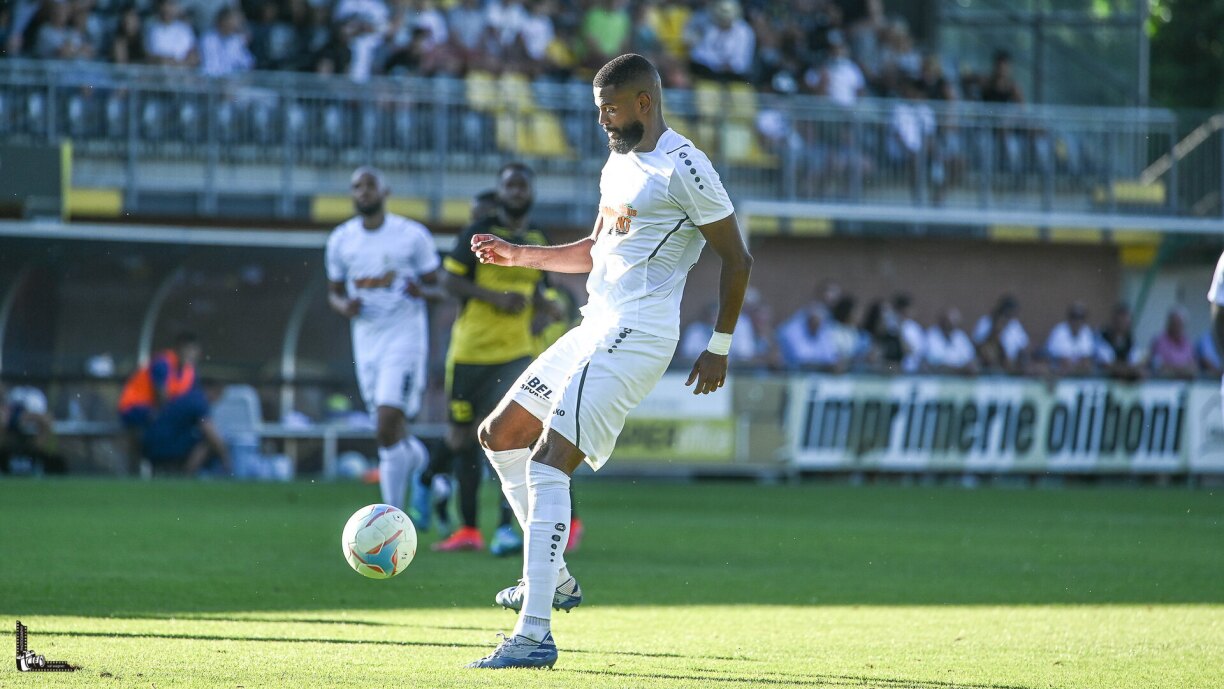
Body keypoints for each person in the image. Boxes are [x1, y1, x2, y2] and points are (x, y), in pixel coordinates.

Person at [464, 53, 752, 669]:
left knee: (549, 460)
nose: (603, 121)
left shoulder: (685, 166)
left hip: (638, 333)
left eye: (611, 109)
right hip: (595, 324)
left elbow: (738, 259)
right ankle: (554, 576)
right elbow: (595, 250)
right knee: (500, 434)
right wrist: (519, 255)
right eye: (599, 110)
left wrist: (719, 346)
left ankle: (534, 633)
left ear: (645, 102)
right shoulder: (618, 162)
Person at [431, 163, 550, 556]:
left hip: (516, 355)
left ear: (531, 192)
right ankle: (468, 529)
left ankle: (505, 529)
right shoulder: (478, 233)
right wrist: (496, 298)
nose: (516, 192)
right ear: (500, 193)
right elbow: (448, 280)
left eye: (522, 185)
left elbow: (541, 291)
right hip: (471, 354)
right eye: (509, 185)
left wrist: (545, 309)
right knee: (461, 438)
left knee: (516, 439)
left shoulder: (538, 239)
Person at [325, 166, 438, 511]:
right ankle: (434, 480)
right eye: (357, 187)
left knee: (386, 422)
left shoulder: (411, 235)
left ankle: (392, 515)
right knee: (392, 430)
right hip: (367, 340)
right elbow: (334, 292)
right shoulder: (341, 240)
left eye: (370, 185)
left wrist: (423, 292)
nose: (363, 192)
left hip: (404, 337)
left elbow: (440, 287)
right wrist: (344, 306)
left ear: (385, 192)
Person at [117, 332, 231, 475]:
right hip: (136, 408)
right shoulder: (163, 363)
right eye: (187, 349)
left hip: (162, 416)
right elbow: (162, 397)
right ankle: (183, 475)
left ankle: (179, 472)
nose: (191, 354)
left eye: (194, 350)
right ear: (178, 348)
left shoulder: (190, 372)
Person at [1149, 306, 1197, 379]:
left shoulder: (1187, 343)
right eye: (1175, 324)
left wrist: (1175, 369)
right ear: (1169, 324)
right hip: (1165, 383)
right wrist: (1182, 370)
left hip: (1184, 382)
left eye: (1180, 324)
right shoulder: (1159, 342)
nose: (1177, 327)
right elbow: (1159, 368)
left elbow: (1193, 368)